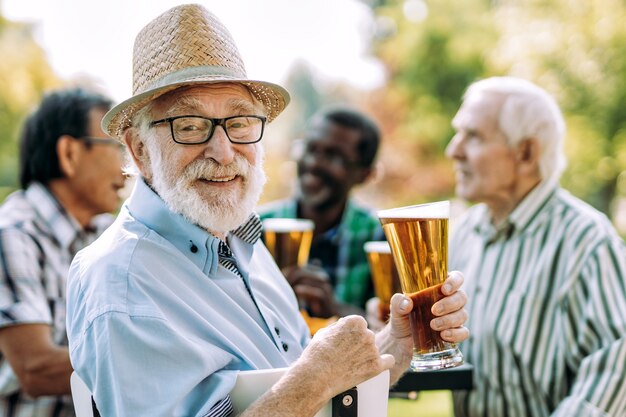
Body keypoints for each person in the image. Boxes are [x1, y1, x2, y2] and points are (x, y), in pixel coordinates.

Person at [65, 5, 469, 417]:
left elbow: (310, 385)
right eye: (188, 125)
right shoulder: (121, 281)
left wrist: (395, 345)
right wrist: (314, 380)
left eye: (239, 123)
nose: (223, 153)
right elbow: (309, 383)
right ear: (139, 149)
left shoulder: (242, 242)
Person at [446, 76, 626, 416]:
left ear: (526, 153)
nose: (453, 150)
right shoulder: (467, 231)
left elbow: (616, 371)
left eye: (473, 136)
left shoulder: (587, 239)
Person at [0, 87, 125, 416]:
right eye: (115, 145)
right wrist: (151, 356)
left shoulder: (104, 232)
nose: (126, 165)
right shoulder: (12, 235)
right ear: (69, 153)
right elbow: (34, 369)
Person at [259, 107, 384, 318]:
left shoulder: (381, 237)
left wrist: (335, 311)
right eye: (311, 148)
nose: (314, 163)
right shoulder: (254, 229)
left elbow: (394, 331)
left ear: (365, 175)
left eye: (334, 156)